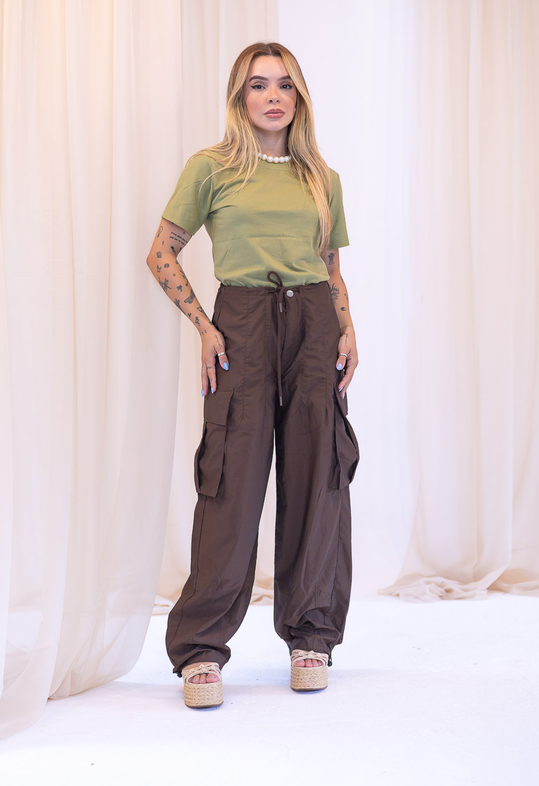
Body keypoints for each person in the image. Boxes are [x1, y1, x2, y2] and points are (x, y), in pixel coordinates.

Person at [146, 41, 359, 708]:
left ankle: (311, 636)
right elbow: (161, 254)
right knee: (230, 483)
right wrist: (205, 327)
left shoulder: (321, 178)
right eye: (259, 85)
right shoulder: (211, 168)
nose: (273, 96)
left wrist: (348, 327)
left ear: (299, 98)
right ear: (240, 97)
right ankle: (201, 649)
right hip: (240, 321)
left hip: (314, 326)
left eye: (285, 85)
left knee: (319, 476)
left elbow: (330, 267)